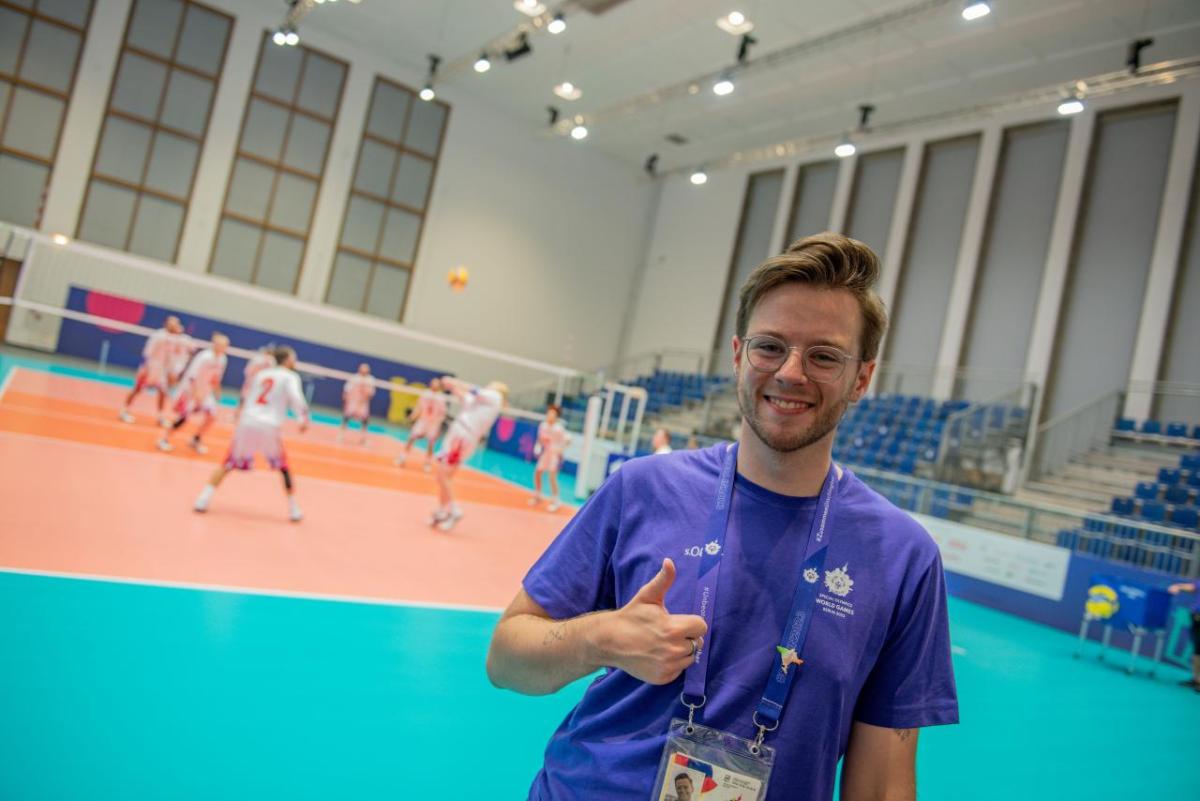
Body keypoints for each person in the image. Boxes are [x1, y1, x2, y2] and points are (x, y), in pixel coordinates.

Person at [486, 233, 958, 801]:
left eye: (825, 355)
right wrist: (602, 637)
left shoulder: (903, 557)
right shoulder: (641, 488)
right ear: (738, 355)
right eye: (770, 347)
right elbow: (506, 658)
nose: (790, 372)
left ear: (862, 378)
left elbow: (881, 783)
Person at [194, 345, 308, 522]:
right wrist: (302, 419)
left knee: (227, 463)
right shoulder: (290, 377)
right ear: (286, 360)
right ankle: (294, 508)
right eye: (293, 358)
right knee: (283, 467)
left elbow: (249, 397)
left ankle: (203, 498)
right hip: (269, 426)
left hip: (248, 422)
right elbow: (296, 398)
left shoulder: (262, 375)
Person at [429, 376, 508, 532]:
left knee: (444, 476)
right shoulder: (481, 403)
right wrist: (452, 387)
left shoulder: (495, 396)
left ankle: (454, 510)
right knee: (443, 476)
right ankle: (442, 510)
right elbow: (466, 396)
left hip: (462, 436)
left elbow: (474, 390)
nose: (489, 384)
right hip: (461, 434)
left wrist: (454, 381)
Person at [158, 332, 229, 454]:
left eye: (225, 345)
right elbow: (192, 377)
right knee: (184, 418)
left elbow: (216, 378)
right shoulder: (204, 357)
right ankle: (164, 439)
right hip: (191, 391)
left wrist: (217, 391)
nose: (223, 348)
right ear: (214, 344)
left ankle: (196, 439)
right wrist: (196, 395)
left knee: (212, 416)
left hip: (205, 392)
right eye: (221, 345)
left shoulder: (223, 359)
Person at [119, 315, 184, 426]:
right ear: (166, 324)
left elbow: (174, 355)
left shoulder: (175, 339)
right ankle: (124, 411)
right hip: (150, 368)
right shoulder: (158, 336)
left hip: (161, 371)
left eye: (176, 323)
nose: (174, 325)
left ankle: (160, 417)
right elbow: (147, 352)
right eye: (172, 323)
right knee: (137, 389)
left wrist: (171, 372)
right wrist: (144, 368)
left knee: (163, 393)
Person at [396, 378, 448, 472]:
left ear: (439, 386)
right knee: (411, 438)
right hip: (422, 421)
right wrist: (412, 417)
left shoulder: (441, 398)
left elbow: (442, 414)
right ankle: (402, 457)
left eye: (436, 384)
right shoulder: (425, 394)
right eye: (433, 383)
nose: (434, 385)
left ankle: (427, 463)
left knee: (431, 445)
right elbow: (418, 407)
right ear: (430, 384)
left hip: (433, 424)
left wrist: (438, 424)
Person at [530, 404, 570, 512]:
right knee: (538, 472)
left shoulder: (559, 429)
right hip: (546, 453)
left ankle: (556, 501)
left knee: (552, 477)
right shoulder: (543, 425)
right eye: (549, 413)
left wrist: (560, 451)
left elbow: (567, 440)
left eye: (553, 414)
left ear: (556, 416)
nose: (550, 416)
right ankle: (538, 495)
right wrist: (537, 447)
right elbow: (540, 438)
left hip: (555, 455)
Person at [1167, 580, 1200, 692]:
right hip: (1196, 618)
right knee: (1197, 651)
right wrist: (1177, 586)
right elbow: (1192, 587)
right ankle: (1196, 680)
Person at [339, 362, 376, 445]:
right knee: (346, 418)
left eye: (366, 370)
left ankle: (363, 438)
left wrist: (365, 393)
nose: (364, 371)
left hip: (363, 404)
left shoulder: (370, 380)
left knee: (365, 421)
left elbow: (371, 393)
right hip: (352, 402)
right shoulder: (354, 378)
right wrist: (346, 398)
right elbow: (347, 389)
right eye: (362, 369)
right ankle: (341, 435)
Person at [237, 344, 277, 417]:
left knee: (246, 399)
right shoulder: (266, 360)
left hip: (256, 383)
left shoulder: (266, 360)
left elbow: (248, 370)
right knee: (248, 399)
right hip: (258, 384)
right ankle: (241, 414)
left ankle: (239, 414)